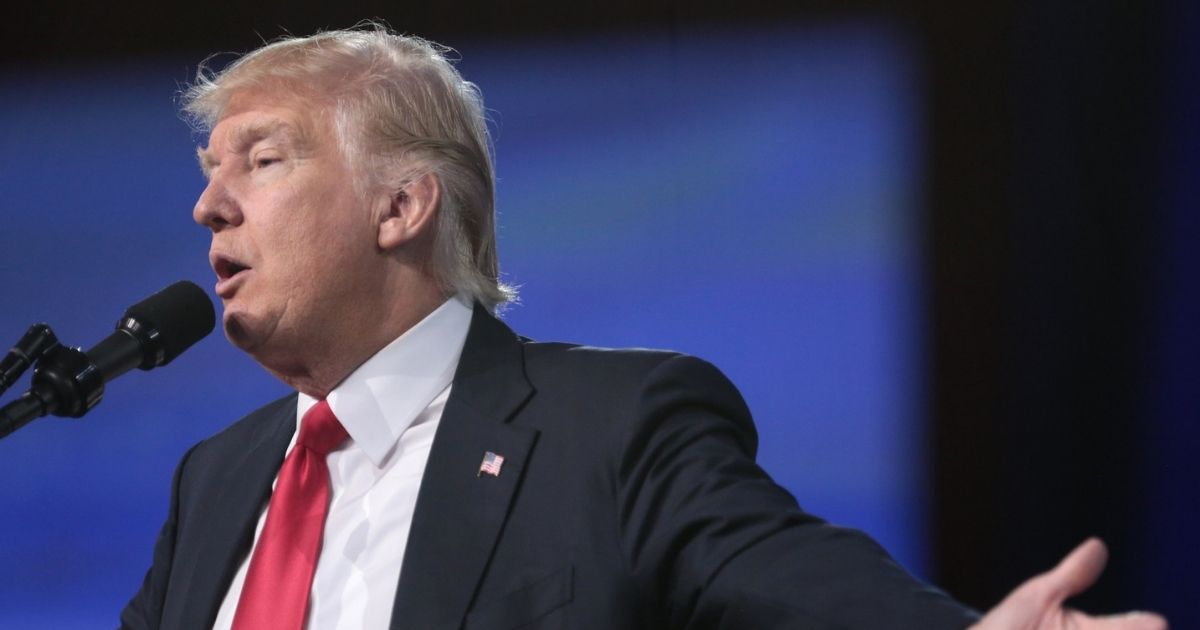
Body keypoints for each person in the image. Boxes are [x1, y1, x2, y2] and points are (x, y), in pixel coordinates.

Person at [119, 25, 1166, 630]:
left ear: (402, 207)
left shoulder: (613, 429)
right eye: (209, 175)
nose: (211, 207)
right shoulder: (216, 480)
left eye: (261, 161)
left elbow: (794, 585)